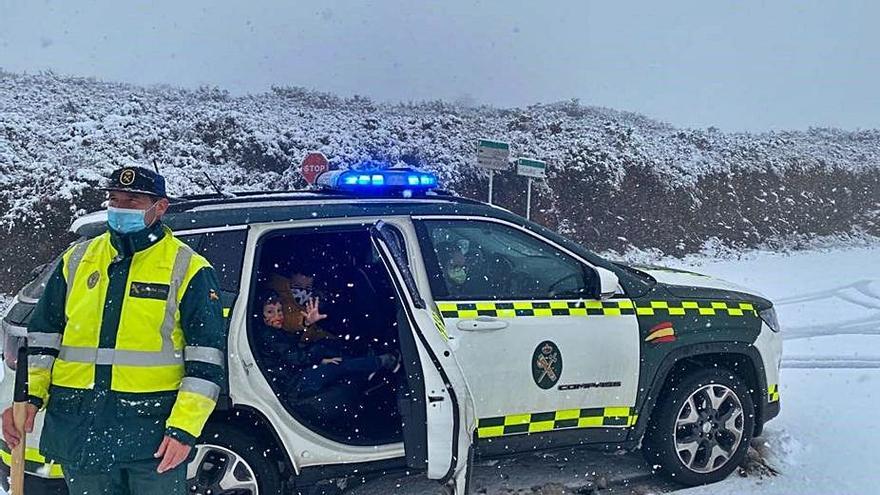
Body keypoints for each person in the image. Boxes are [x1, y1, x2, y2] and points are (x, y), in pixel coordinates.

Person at [1, 166, 226, 495]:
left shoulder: (188, 268)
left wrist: (184, 429)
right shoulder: (77, 260)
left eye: (133, 201)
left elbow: (205, 361)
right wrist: (30, 398)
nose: (120, 207)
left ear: (160, 207)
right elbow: (43, 340)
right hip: (81, 431)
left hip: (151, 437)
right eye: (114, 199)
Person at [255, 293, 398, 400]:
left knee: (323, 347)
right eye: (270, 312)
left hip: (293, 374)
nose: (278, 315)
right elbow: (295, 357)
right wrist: (320, 361)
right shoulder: (267, 335)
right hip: (293, 384)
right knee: (336, 365)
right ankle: (381, 362)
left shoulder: (271, 332)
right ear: (261, 316)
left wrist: (306, 324)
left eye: (279, 310)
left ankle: (365, 363)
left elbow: (289, 346)